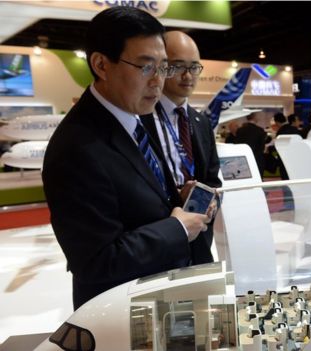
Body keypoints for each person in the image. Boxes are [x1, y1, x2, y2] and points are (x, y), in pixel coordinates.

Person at [41, 7, 210, 310]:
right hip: (123, 313)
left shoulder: (133, 119)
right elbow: (96, 261)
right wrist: (178, 228)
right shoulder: (77, 147)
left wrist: (177, 197)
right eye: (146, 67)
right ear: (101, 65)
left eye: (163, 67)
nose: (158, 81)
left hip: (163, 296)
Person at [140, 31, 222, 264]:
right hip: (154, 242)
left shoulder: (201, 121)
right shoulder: (139, 117)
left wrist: (207, 201)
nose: (188, 76)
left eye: (194, 67)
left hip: (199, 239)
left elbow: (213, 179)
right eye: (178, 67)